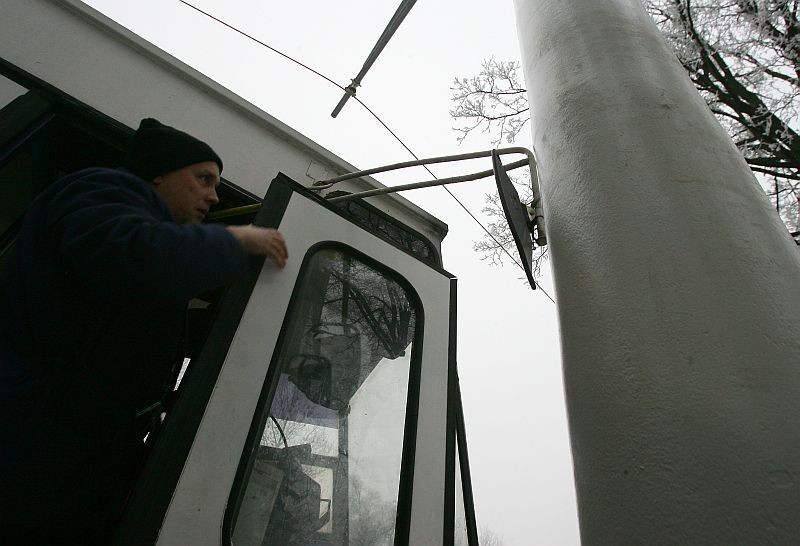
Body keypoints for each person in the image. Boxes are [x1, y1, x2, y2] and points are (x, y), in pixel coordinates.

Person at [0, 118, 288, 544]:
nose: (213, 195)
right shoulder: (100, 190)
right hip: (28, 445)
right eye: (203, 179)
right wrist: (235, 240)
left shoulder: (140, 226)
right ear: (158, 173)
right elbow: (132, 255)